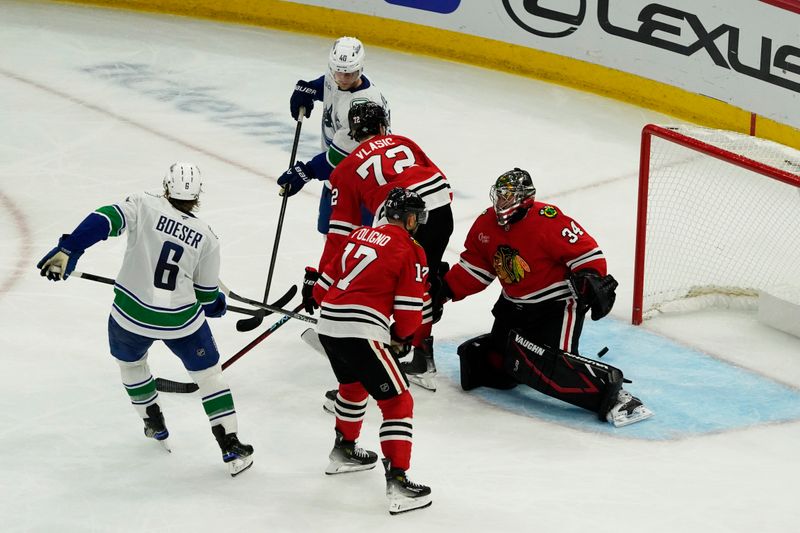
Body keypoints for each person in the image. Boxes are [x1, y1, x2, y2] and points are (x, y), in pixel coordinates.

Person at [36, 163, 255, 474]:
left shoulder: (143, 203)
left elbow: (104, 219)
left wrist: (69, 249)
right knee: (209, 377)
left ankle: (153, 422)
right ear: (198, 195)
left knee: (132, 365)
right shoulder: (207, 237)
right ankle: (230, 444)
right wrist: (216, 304)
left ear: (166, 185)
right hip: (181, 322)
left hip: (130, 317)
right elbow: (206, 296)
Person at [437, 168, 653, 427]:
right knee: (490, 366)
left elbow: (588, 255)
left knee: (552, 369)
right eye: (500, 195)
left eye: (508, 196)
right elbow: (476, 268)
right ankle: (519, 354)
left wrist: (590, 279)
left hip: (556, 305)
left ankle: (617, 397)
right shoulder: (485, 223)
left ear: (525, 198)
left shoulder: (548, 220)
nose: (501, 202)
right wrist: (445, 290)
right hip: (513, 304)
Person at [304, 101, 454, 393]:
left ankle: (386, 353)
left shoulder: (345, 169)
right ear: (384, 126)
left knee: (382, 280)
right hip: (441, 211)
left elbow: (340, 236)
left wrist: (321, 278)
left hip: (401, 218)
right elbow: (439, 181)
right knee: (420, 283)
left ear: (353, 133)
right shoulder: (404, 141)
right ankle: (421, 357)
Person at [311, 187, 432, 515]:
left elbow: (322, 290)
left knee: (352, 386)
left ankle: (344, 451)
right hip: (361, 330)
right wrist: (402, 337)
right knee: (398, 400)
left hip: (329, 326)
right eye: (416, 218)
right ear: (408, 219)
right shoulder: (411, 249)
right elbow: (408, 315)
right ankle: (398, 481)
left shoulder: (360, 234)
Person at [278, 36, 390, 234]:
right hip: (338, 178)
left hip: (361, 183)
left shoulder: (361, 109)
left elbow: (338, 159)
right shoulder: (337, 75)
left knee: (351, 239)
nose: (343, 79)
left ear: (361, 68)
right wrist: (309, 89)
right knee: (328, 231)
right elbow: (329, 86)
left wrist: (306, 171)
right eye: (339, 72)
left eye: (350, 74)